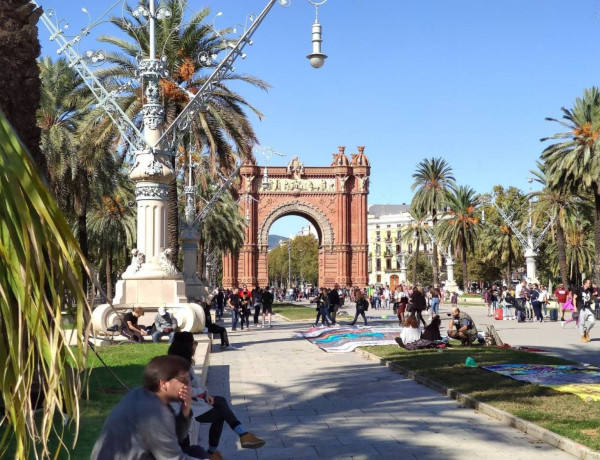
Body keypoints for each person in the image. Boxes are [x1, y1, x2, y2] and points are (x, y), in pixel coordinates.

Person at [91, 355, 209, 459]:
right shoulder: (155, 413)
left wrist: (186, 408)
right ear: (163, 384)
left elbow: (174, 437)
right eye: (184, 380)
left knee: (196, 451)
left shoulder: (141, 394)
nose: (188, 385)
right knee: (199, 455)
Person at [168, 332, 265, 459]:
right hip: (186, 407)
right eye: (194, 343)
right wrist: (203, 393)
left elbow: (195, 386)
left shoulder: (184, 363)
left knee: (219, 404)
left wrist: (205, 394)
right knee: (220, 411)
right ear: (187, 346)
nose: (195, 346)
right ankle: (238, 437)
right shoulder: (179, 367)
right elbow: (184, 390)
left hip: (193, 403)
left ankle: (239, 437)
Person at [573, 278, 595, 343]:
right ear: (585, 283)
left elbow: (591, 297)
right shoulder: (579, 290)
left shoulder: (590, 289)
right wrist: (575, 307)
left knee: (592, 322)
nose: (590, 284)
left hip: (589, 308)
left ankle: (586, 331)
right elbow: (574, 298)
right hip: (582, 308)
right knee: (582, 323)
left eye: (590, 283)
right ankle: (582, 337)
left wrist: (596, 297)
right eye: (589, 283)